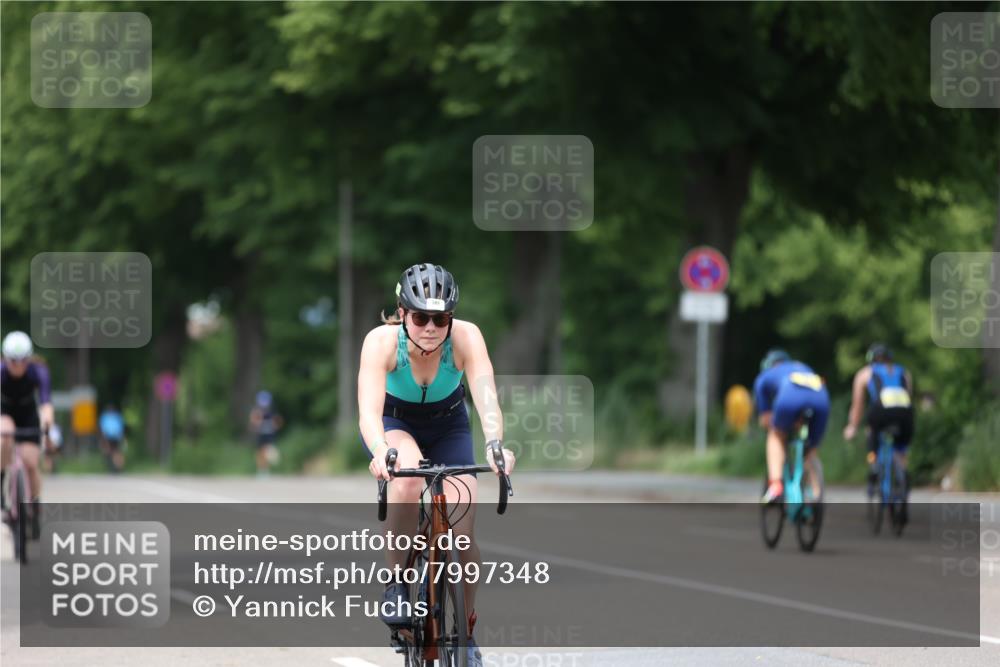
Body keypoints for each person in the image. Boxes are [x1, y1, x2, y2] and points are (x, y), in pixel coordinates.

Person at [358, 263, 515, 667]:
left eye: (441, 318)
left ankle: (466, 631)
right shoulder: (380, 343)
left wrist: (496, 443)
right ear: (403, 313)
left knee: (462, 531)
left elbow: (485, 398)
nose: (431, 326)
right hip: (395, 424)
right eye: (421, 317)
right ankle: (396, 584)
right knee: (408, 482)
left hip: (449, 425)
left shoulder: (466, 337)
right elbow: (368, 413)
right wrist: (379, 450)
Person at [753, 348, 831, 504]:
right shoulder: (803, 368)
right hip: (822, 399)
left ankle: (775, 487)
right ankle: (815, 498)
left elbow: (765, 419)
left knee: (775, 434)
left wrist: (782, 428)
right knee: (810, 452)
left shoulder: (764, 377)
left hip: (790, 398)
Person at [1, 331, 55, 538]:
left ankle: (34, 502)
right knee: (5, 434)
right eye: (13, 361)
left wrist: (47, 425)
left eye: (22, 360)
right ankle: (2, 475)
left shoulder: (38, 371)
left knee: (31, 463)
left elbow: (46, 402)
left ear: (29, 358)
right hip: (4, 413)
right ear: (6, 359)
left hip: (28, 416)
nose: (17, 365)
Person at [843, 343, 914, 499]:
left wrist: (852, 426)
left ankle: (874, 462)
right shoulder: (904, 372)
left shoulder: (865, 373)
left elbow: (858, 405)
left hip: (881, 410)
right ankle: (903, 471)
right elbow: (908, 398)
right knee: (901, 449)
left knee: (872, 430)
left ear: (871, 359)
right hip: (905, 412)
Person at [249, 390, 283, 476]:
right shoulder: (256, 410)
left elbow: (278, 421)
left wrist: (275, 425)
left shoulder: (272, 410)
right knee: (260, 452)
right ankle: (261, 470)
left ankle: (266, 469)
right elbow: (253, 422)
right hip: (260, 434)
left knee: (267, 450)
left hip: (269, 434)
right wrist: (257, 420)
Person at [99, 404, 127, 473]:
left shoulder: (115, 417)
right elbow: (103, 427)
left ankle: (116, 468)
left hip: (114, 437)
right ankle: (113, 467)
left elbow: (120, 427)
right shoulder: (107, 417)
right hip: (109, 437)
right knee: (110, 452)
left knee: (115, 452)